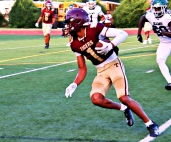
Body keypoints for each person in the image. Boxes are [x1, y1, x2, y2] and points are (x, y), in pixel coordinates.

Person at [64, 8, 159, 137]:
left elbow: (123, 33)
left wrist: (111, 45)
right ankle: (124, 109)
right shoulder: (73, 43)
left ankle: (150, 124)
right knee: (96, 99)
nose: (68, 26)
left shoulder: (94, 28)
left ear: (78, 21)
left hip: (114, 65)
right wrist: (74, 83)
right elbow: (82, 68)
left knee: (124, 97)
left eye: (69, 22)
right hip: (101, 71)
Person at [137, 0, 171, 90]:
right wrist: (139, 33)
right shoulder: (150, 15)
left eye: (159, 8)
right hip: (165, 42)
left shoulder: (168, 17)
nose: (157, 10)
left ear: (164, 8)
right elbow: (142, 18)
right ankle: (170, 82)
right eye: (155, 8)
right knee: (160, 60)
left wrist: (162, 31)